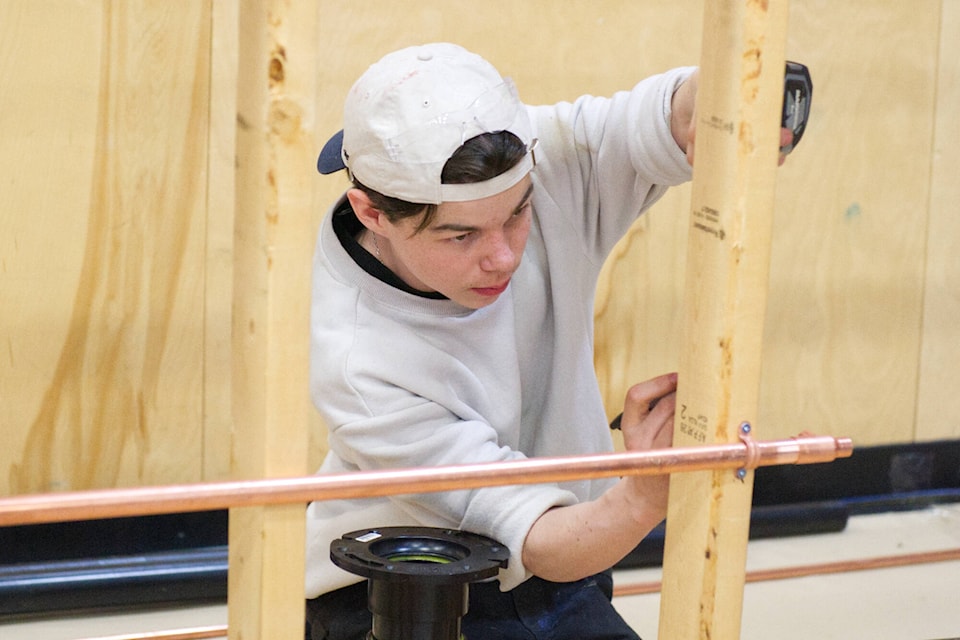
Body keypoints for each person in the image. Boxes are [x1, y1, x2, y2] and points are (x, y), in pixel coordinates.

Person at [304, 42, 792, 640]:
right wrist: (647, 491)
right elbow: (537, 539)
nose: (504, 256)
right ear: (372, 213)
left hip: (571, 559)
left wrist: (721, 99)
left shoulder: (537, 160)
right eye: (461, 236)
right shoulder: (359, 363)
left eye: (517, 215)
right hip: (391, 591)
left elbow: (657, 120)